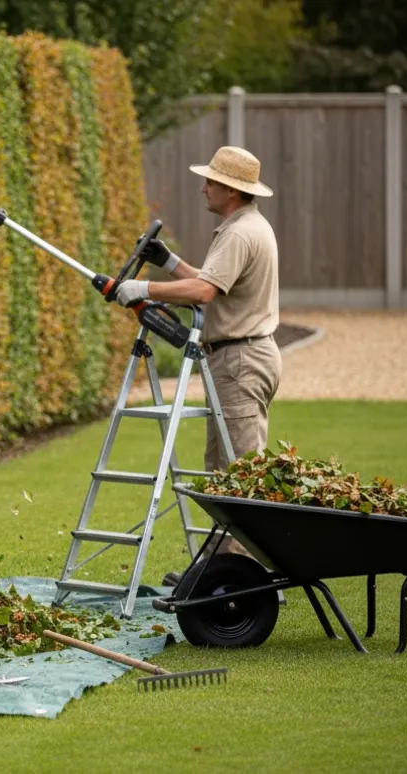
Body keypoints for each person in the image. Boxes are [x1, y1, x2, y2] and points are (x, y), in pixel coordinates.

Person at [113, 145, 281, 556]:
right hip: (244, 357)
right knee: (225, 467)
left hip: (240, 360)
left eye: (211, 182)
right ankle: (217, 570)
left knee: (238, 474)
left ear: (232, 191)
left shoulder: (240, 232)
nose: (204, 188)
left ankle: (240, 582)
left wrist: (142, 288)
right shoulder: (245, 226)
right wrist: (168, 262)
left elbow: (204, 292)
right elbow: (214, 282)